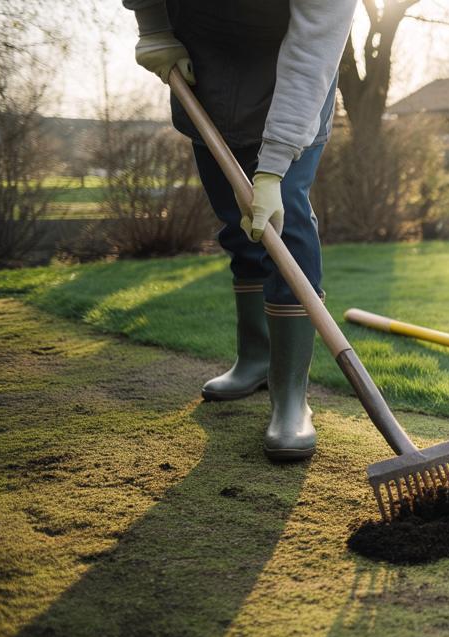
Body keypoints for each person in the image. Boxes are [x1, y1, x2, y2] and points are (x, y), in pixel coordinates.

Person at [124, 0, 357, 461]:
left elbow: (312, 53)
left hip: (292, 88)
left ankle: (291, 397)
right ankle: (255, 359)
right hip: (205, 71)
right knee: (237, 222)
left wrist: (270, 171)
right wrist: (152, 26)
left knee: (281, 215)